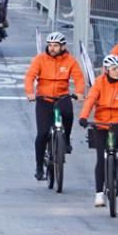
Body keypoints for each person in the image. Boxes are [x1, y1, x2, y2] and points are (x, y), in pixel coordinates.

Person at [78, 54, 118, 208]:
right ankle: (99, 194)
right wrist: (83, 117)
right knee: (101, 159)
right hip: (101, 123)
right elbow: (91, 100)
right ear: (106, 70)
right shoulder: (99, 83)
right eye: (114, 69)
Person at [24, 32, 85, 182]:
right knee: (42, 134)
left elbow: (78, 77)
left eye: (56, 46)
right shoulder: (40, 59)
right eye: (50, 45)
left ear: (62, 47)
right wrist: (30, 93)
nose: (52, 48)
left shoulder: (70, 61)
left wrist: (79, 92)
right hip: (44, 99)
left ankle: (67, 140)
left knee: (69, 114)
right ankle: (39, 166)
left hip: (62, 96)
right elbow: (30, 76)